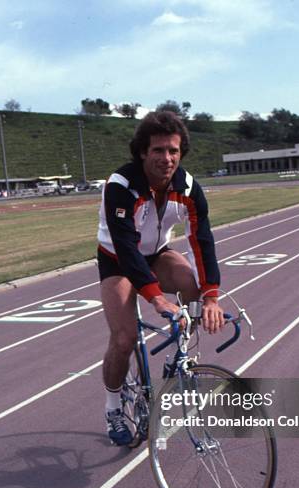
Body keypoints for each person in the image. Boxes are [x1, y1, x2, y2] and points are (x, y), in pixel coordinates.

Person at [97, 111, 224, 445]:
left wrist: (211, 297)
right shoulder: (121, 186)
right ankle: (112, 408)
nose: (167, 158)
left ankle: (179, 356)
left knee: (191, 287)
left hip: (157, 254)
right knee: (123, 339)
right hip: (117, 261)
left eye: (173, 151)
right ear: (143, 152)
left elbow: (202, 240)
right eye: (158, 150)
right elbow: (125, 247)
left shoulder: (188, 187)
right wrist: (156, 297)